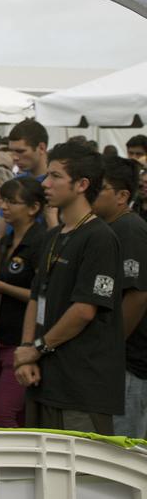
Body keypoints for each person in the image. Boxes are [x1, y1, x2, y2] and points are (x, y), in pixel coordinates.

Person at [14, 143, 123, 433]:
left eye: (55, 176)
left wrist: (37, 348)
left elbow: (85, 310)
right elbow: (37, 297)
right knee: (43, 472)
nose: (45, 184)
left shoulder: (100, 237)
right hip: (45, 379)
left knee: (81, 474)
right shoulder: (53, 236)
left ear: (81, 185)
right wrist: (26, 349)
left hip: (80, 387)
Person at [94, 155, 147, 438]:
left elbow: (138, 295)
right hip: (118, 359)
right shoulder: (108, 227)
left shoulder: (129, 229)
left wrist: (110, 347)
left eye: (99, 188)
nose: (90, 193)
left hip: (129, 361)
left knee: (125, 449)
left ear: (122, 195)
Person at [0, 177, 45, 428]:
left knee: (1, 413)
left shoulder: (41, 242)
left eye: (13, 202)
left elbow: (40, 295)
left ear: (33, 208)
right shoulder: (5, 240)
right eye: (4, 201)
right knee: (13, 414)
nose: (6, 207)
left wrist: (2, 287)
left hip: (21, 341)